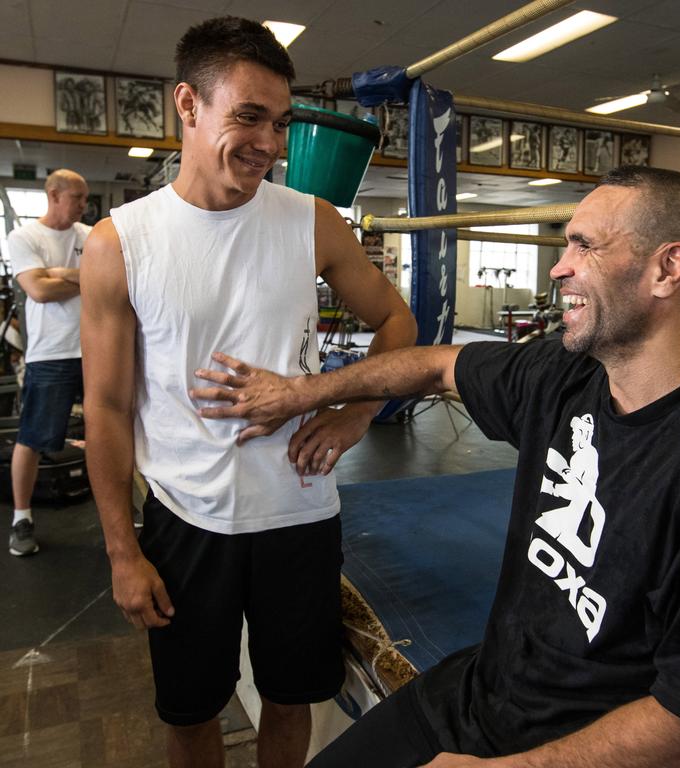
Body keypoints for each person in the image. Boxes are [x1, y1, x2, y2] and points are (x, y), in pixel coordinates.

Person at [192, 166, 680, 768]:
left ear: (668, 269)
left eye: (585, 247)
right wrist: (307, 395)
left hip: (580, 750)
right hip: (479, 695)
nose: (559, 268)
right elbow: (437, 364)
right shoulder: (566, 372)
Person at [79, 16, 416, 768]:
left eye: (280, 122)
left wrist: (349, 410)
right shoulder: (119, 244)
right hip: (185, 522)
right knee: (192, 713)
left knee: (291, 700)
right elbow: (103, 408)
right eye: (249, 117)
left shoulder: (313, 222)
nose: (270, 142)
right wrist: (121, 553)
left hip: (298, 514)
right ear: (189, 107)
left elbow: (398, 319)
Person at [7, 168, 90, 557]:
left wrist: (61, 273)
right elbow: (38, 290)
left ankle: (127, 512)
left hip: (95, 350)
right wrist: (79, 277)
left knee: (112, 432)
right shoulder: (25, 237)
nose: (84, 206)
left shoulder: (89, 236)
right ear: (55, 195)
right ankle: (21, 517)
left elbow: (108, 281)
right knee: (33, 438)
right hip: (51, 353)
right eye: (78, 198)